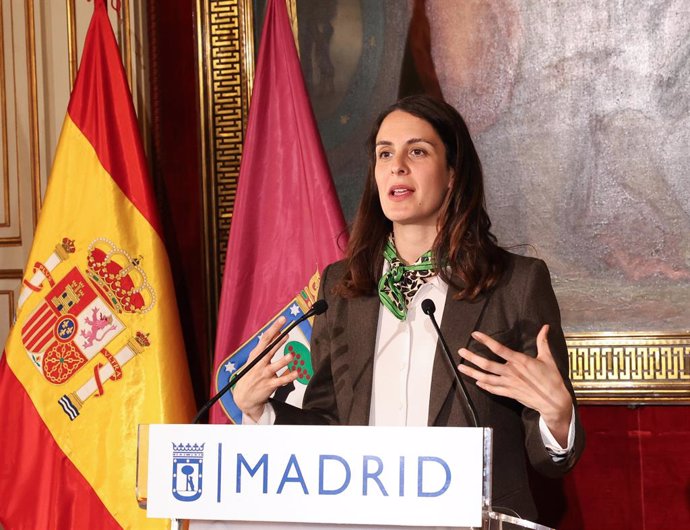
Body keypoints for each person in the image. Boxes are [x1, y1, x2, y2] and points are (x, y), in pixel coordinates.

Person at [233, 94, 584, 522]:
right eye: (385, 153)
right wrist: (261, 411)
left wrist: (557, 416)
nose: (396, 165)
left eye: (417, 151)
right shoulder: (343, 288)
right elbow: (327, 429)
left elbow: (552, 461)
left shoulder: (515, 284)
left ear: (453, 174)